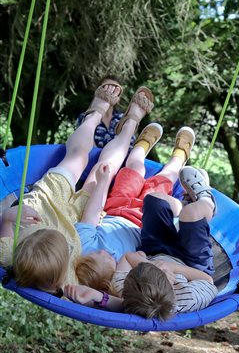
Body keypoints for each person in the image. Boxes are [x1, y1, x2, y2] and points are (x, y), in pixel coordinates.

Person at [0, 80, 154, 294]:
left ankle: (94, 114)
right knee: (105, 170)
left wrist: (10, 216)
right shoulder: (68, 282)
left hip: (47, 200)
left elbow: (6, 231)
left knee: (78, 156)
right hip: (80, 218)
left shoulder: (10, 256)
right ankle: (130, 125)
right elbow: (107, 297)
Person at [65, 166, 218, 320]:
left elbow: (128, 258)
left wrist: (147, 263)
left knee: (153, 200)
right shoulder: (187, 299)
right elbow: (208, 280)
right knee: (191, 214)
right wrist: (171, 268)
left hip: (155, 252)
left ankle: (186, 204)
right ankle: (207, 201)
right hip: (192, 263)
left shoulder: (123, 288)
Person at [74, 124, 197, 293]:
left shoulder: (84, 246)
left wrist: (103, 182)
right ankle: (180, 156)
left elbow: (91, 215)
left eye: (97, 254)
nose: (104, 251)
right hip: (143, 220)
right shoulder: (125, 269)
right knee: (164, 179)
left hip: (116, 208)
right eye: (109, 257)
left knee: (135, 168)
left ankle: (142, 144)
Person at [75, 75, 135, 148]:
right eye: (105, 89)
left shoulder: (124, 120)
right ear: (97, 93)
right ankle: (95, 115)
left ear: (118, 98)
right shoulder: (83, 117)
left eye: (114, 90)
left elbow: (129, 146)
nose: (109, 93)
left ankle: (95, 115)